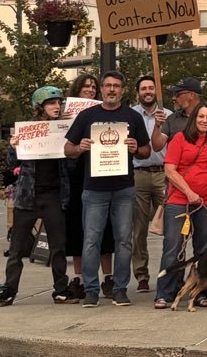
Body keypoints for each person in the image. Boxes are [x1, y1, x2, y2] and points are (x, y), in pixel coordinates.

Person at [63, 71, 153, 307]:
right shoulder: (87, 116)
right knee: (91, 240)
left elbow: (146, 151)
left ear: (123, 90)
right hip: (94, 189)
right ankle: (91, 290)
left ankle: (120, 289)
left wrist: (136, 148)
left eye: (117, 86)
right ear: (101, 89)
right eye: (108, 86)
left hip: (124, 187)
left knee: (124, 240)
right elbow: (67, 148)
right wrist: (80, 147)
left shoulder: (132, 117)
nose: (112, 90)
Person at [0, 86, 74, 307]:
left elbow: (72, 159)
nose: (56, 107)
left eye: (58, 103)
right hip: (28, 197)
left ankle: (61, 289)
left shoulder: (64, 130)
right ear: (39, 108)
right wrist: (13, 146)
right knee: (17, 248)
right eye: (51, 103)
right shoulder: (27, 131)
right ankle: (9, 290)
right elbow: (13, 164)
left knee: (58, 247)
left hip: (54, 196)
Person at [154, 104, 207, 310]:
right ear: (194, 118)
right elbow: (170, 170)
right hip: (180, 200)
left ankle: (200, 292)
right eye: (201, 116)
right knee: (174, 247)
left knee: (204, 250)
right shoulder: (180, 138)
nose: (205, 120)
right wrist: (189, 193)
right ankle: (165, 292)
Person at [65, 74, 112, 298]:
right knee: (78, 230)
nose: (90, 90)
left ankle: (108, 278)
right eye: (85, 86)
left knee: (106, 230)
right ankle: (80, 278)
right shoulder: (67, 112)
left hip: (103, 173)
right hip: (76, 175)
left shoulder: (104, 111)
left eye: (93, 86)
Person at [129, 76, 171, 294]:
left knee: (170, 226)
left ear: (156, 91)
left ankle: (169, 272)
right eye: (143, 88)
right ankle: (142, 275)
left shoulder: (168, 116)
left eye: (151, 88)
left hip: (164, 174)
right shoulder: (130, 115)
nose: (147, 91)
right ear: (138, 92)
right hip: (139, 174)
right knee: (139, 229)